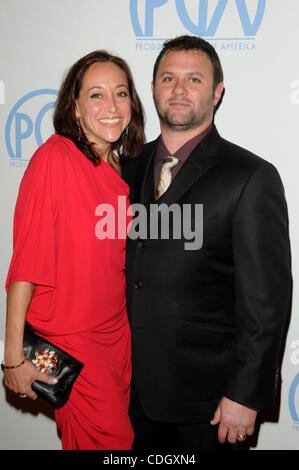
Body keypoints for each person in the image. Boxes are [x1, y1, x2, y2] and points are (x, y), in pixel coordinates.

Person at [123, 35, 291, 450]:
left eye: (193, 79)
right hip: (126, 396)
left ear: (217, 92)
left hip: (209, 405)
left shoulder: (251, 176)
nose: (179, 90)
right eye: (168, 78)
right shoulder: (123, 169)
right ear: (153, 88)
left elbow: (265, 302)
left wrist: (246, 394)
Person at [3, 50, 144, 450]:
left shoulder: (123, 170)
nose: (112, 106)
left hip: (117, 336)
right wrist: (13, 356)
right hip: (72, 341)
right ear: (76, 108)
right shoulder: (55, 158)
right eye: (96, 95)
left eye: (121, 93)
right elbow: (26, 263)